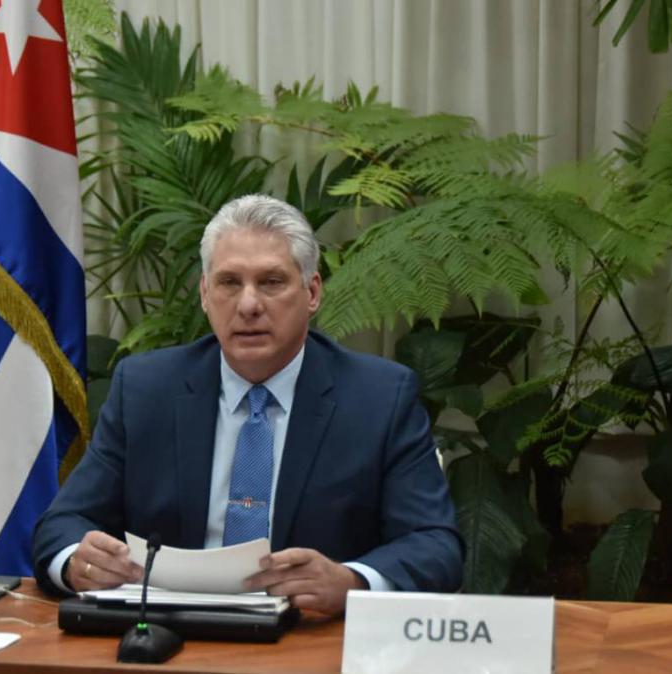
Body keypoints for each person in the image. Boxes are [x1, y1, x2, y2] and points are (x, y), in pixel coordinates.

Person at [32, 194, 463, 615]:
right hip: (173, 638)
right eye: (229, 283)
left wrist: (351, 581)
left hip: (310, 642)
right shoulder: (146, 390)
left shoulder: (379, 399)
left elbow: (435, 544)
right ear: (205, 294)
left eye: (271, 282)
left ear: (312, 293)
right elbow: (62, 525)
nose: (249, 305)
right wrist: (77, 562)